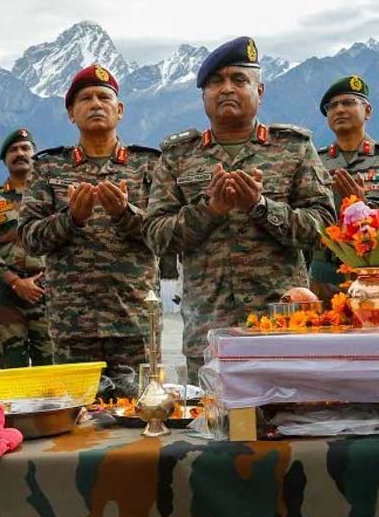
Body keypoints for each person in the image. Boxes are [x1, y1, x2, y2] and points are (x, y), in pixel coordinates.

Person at [144, 37, 335, 378]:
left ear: (259, 91)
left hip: (281, 320)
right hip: (208, 325)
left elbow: (322, 228)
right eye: (216, 82)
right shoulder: (177, 156)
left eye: (239, 80)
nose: (227, 89)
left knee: (287, 422)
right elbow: (156, 236)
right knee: (211, 425)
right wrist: (210, 210)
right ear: (203, 96)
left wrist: (261, 207)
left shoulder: (294, 149)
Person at [19, 66, 161, 394]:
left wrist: (125, 214)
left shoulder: (148, 165)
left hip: (133, 319)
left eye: (104, 97)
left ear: (120, 109)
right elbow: (29, 238)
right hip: (73, 324)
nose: (95, 104)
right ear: (71, 114)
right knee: (78, 418)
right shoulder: (48, 167)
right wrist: (71, 218)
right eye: (85, 98)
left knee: (142, 413)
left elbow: (165, 234)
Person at [309, 74, 379, 300]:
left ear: (367, 111)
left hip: (378, 271)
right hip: (325, 274)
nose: (339, 110)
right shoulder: (314, 162)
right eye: (332, 106)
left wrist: (362, 208)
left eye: (348, 103)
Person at [0, 129, 53, 368]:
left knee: (52, 371)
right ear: (5, 159)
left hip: (47, 294)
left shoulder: (51, 196)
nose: (20, 153)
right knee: (12, 369)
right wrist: (16, 283)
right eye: (13, 150)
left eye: (25, 148)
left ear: (34, 155)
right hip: (6, 297)